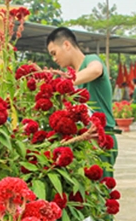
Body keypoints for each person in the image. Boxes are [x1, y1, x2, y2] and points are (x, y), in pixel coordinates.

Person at [45, 26, 118, 170]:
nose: (54, 59)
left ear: (66, 45)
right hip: (84, 138)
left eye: (54, 53)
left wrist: (62, 85)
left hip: (101, 136)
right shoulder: (70, 73)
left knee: (102, 189)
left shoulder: (91, 60)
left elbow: (96, 69)